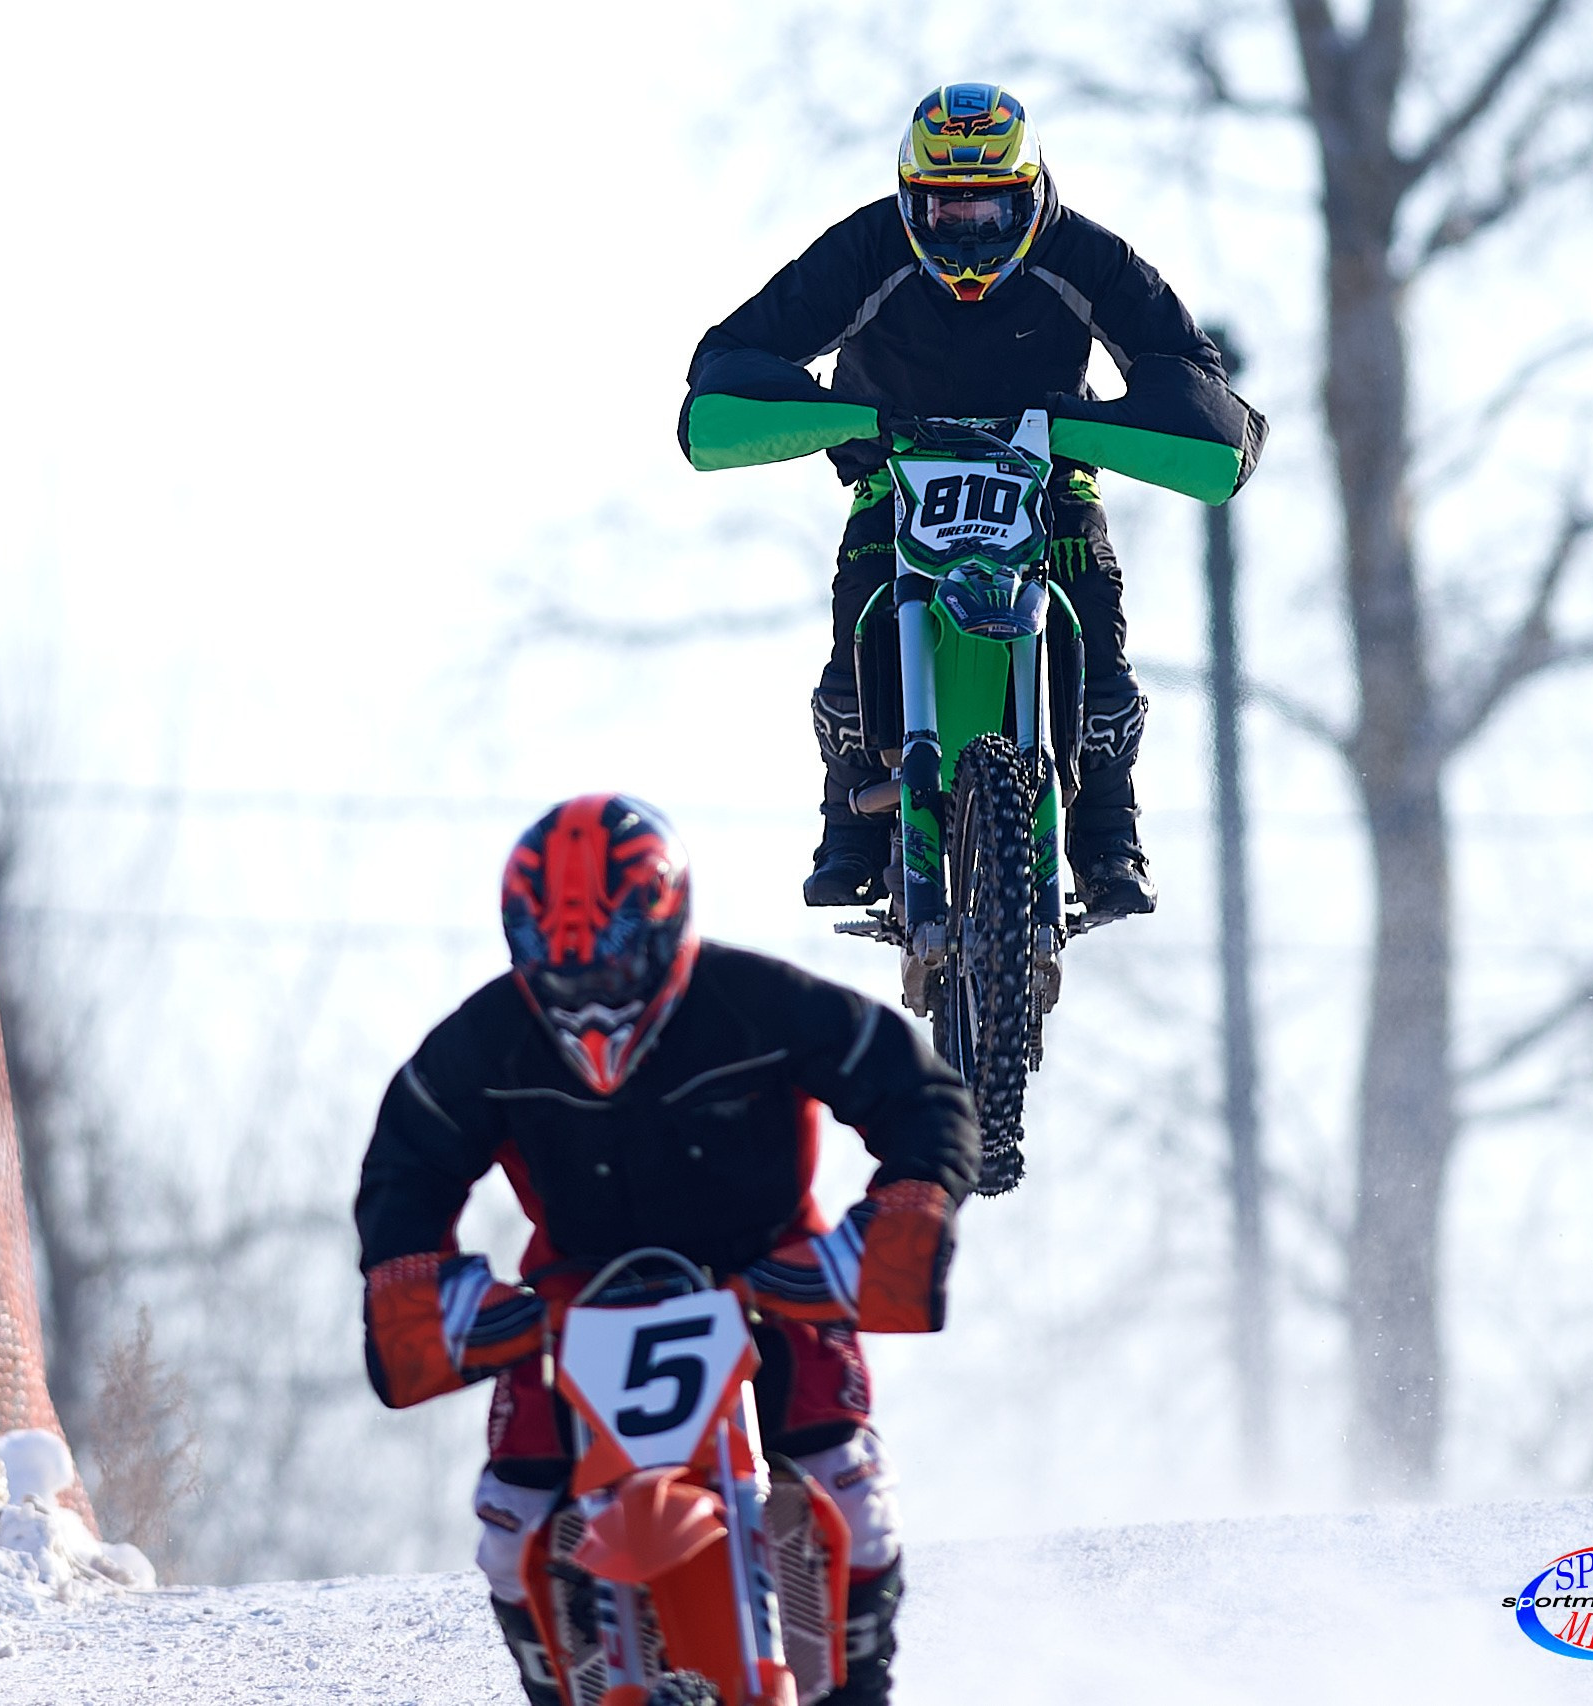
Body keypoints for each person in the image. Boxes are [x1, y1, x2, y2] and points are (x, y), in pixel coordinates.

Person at [354, 793, 980, 1706]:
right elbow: (405, 1164)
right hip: (574, 1301)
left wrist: (907, 1205)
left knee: (854, 1498)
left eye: (612, 963)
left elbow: (918, 1091)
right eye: (561, 970)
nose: (591, 994)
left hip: (771, 1279)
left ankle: (855, 1692)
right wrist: (414, 1279)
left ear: (667, 928)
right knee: (510, 1522)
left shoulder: (759, 1002)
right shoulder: (486, 1040)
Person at [679, 81, 1265, 920]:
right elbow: (733, 354)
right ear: (909, 199)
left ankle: (1108, 838)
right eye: (945, 211)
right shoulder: (863, 249)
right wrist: (843, 420)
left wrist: (1121, 421)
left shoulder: (1087, 257)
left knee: (1097, 625)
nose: (967, 230)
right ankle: (848, 829)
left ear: (1028, 195)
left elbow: (1192, 371)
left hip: (1048, 473)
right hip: (896, 468)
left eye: (987, 211)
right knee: (855, 622)